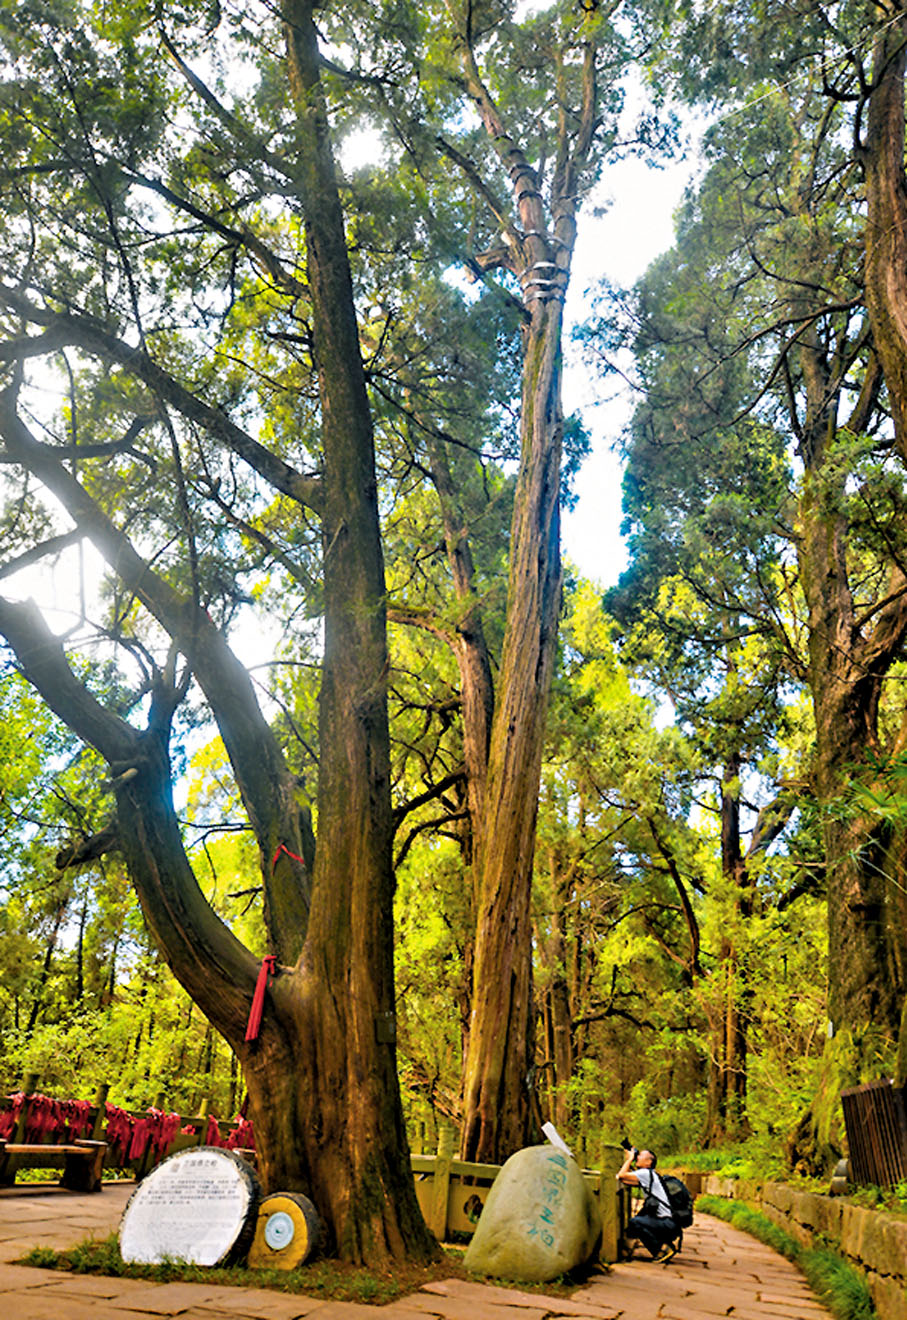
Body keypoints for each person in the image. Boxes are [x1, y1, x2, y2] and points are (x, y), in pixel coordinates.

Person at [617, 1146, 679, 1263]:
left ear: (648, 1162)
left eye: (640, 1156)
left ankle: (661, 1250)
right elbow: (624, 1179)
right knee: (633, 1227)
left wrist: (629, 1159)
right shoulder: (650, 1174)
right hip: (669, 1223)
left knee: (635, 1222)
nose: (637, 1157)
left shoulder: (645, 1173)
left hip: (666, 1223)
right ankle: (663, 1244)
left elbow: (621, 1175)